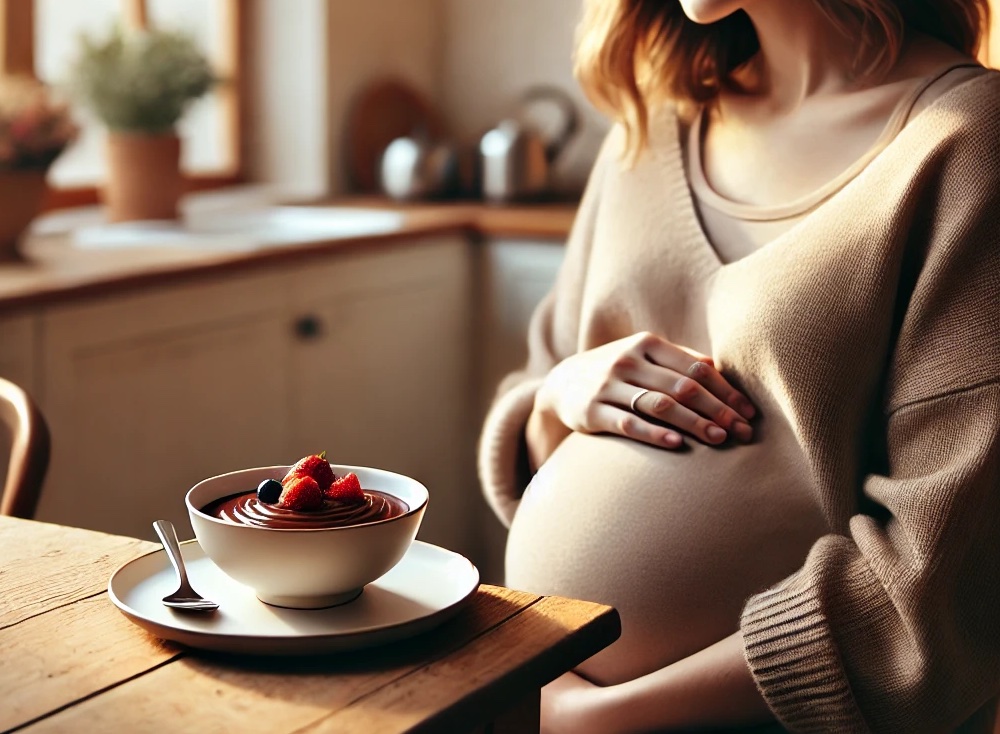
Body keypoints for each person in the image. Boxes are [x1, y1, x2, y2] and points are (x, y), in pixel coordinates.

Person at [477, 0, 1000, 731]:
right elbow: (540, 402)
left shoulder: (969, 141)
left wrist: (608, 717)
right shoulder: (650, 125)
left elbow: (941, 583)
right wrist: (556, 399)